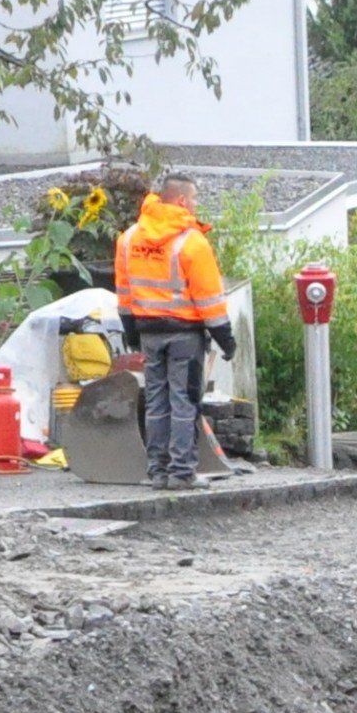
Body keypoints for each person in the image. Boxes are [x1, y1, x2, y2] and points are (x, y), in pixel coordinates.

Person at [112, 173, 237, 488]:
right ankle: (181, 473)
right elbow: (210, 300)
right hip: (185, 336)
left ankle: (157, 471)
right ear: (181, 200)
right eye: (194, 199)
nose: (195, 205)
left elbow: (124, 293)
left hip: (148, 333)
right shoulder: (191, 242)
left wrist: (131, 331)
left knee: (156, 401)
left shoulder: (129, 239)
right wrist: (226, 341)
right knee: (184, 401)